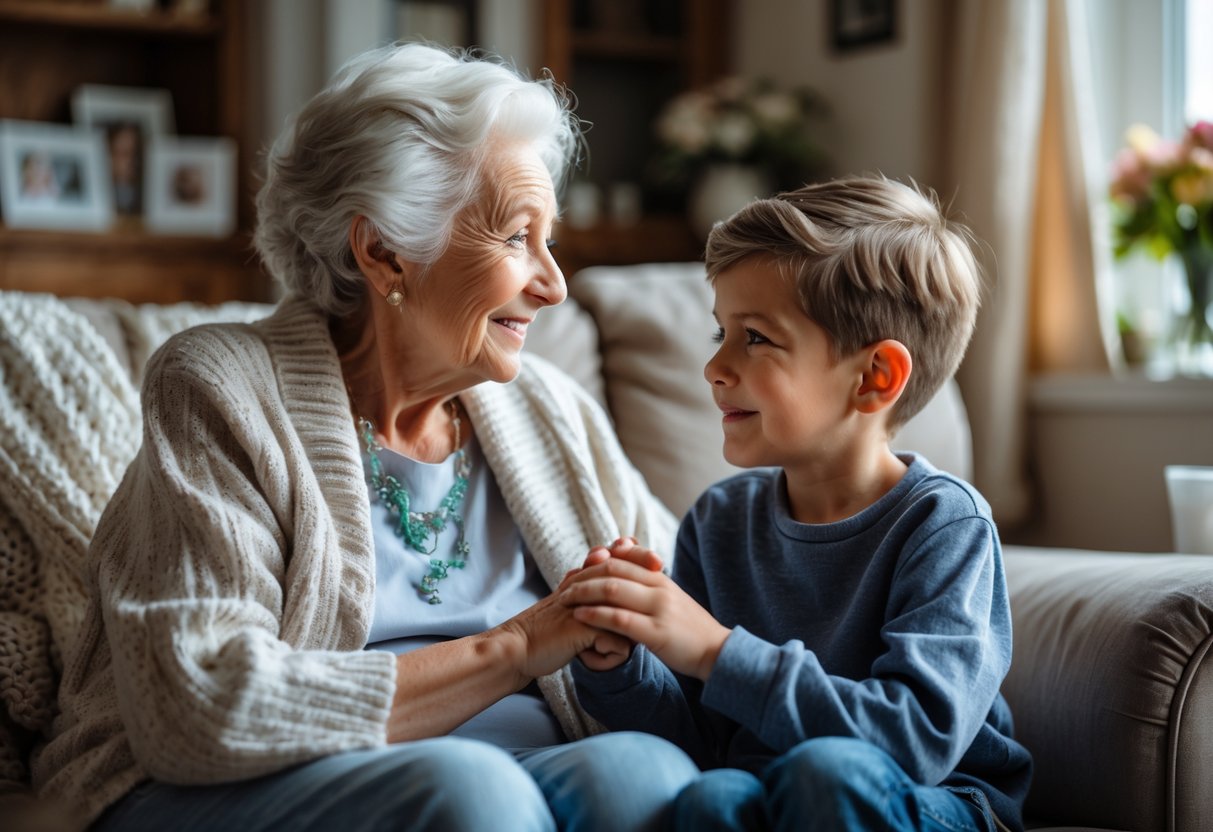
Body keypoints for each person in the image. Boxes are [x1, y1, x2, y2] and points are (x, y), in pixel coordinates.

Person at [31, 42, 698, 831]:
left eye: (548, 242)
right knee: (472, 793)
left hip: (519, 766)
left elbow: (688, 613)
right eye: (518, 238)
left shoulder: (549, 408)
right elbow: (203, 704)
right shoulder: (219, 385)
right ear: (384, 251)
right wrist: (516, 646)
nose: (552, 283)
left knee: (643, 773)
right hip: (241, 780)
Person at [563, 176, 1034, 831]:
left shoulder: (943, 524)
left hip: (938, 801)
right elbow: (704, 742)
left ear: (874, 379)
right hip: (773, 792)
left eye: (753, 337)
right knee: (710, 800)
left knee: (824, 772)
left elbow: (915, 742)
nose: (715, 366)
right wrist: (623, 665)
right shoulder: (719, 520)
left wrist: (715, 651)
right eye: (718, 333)